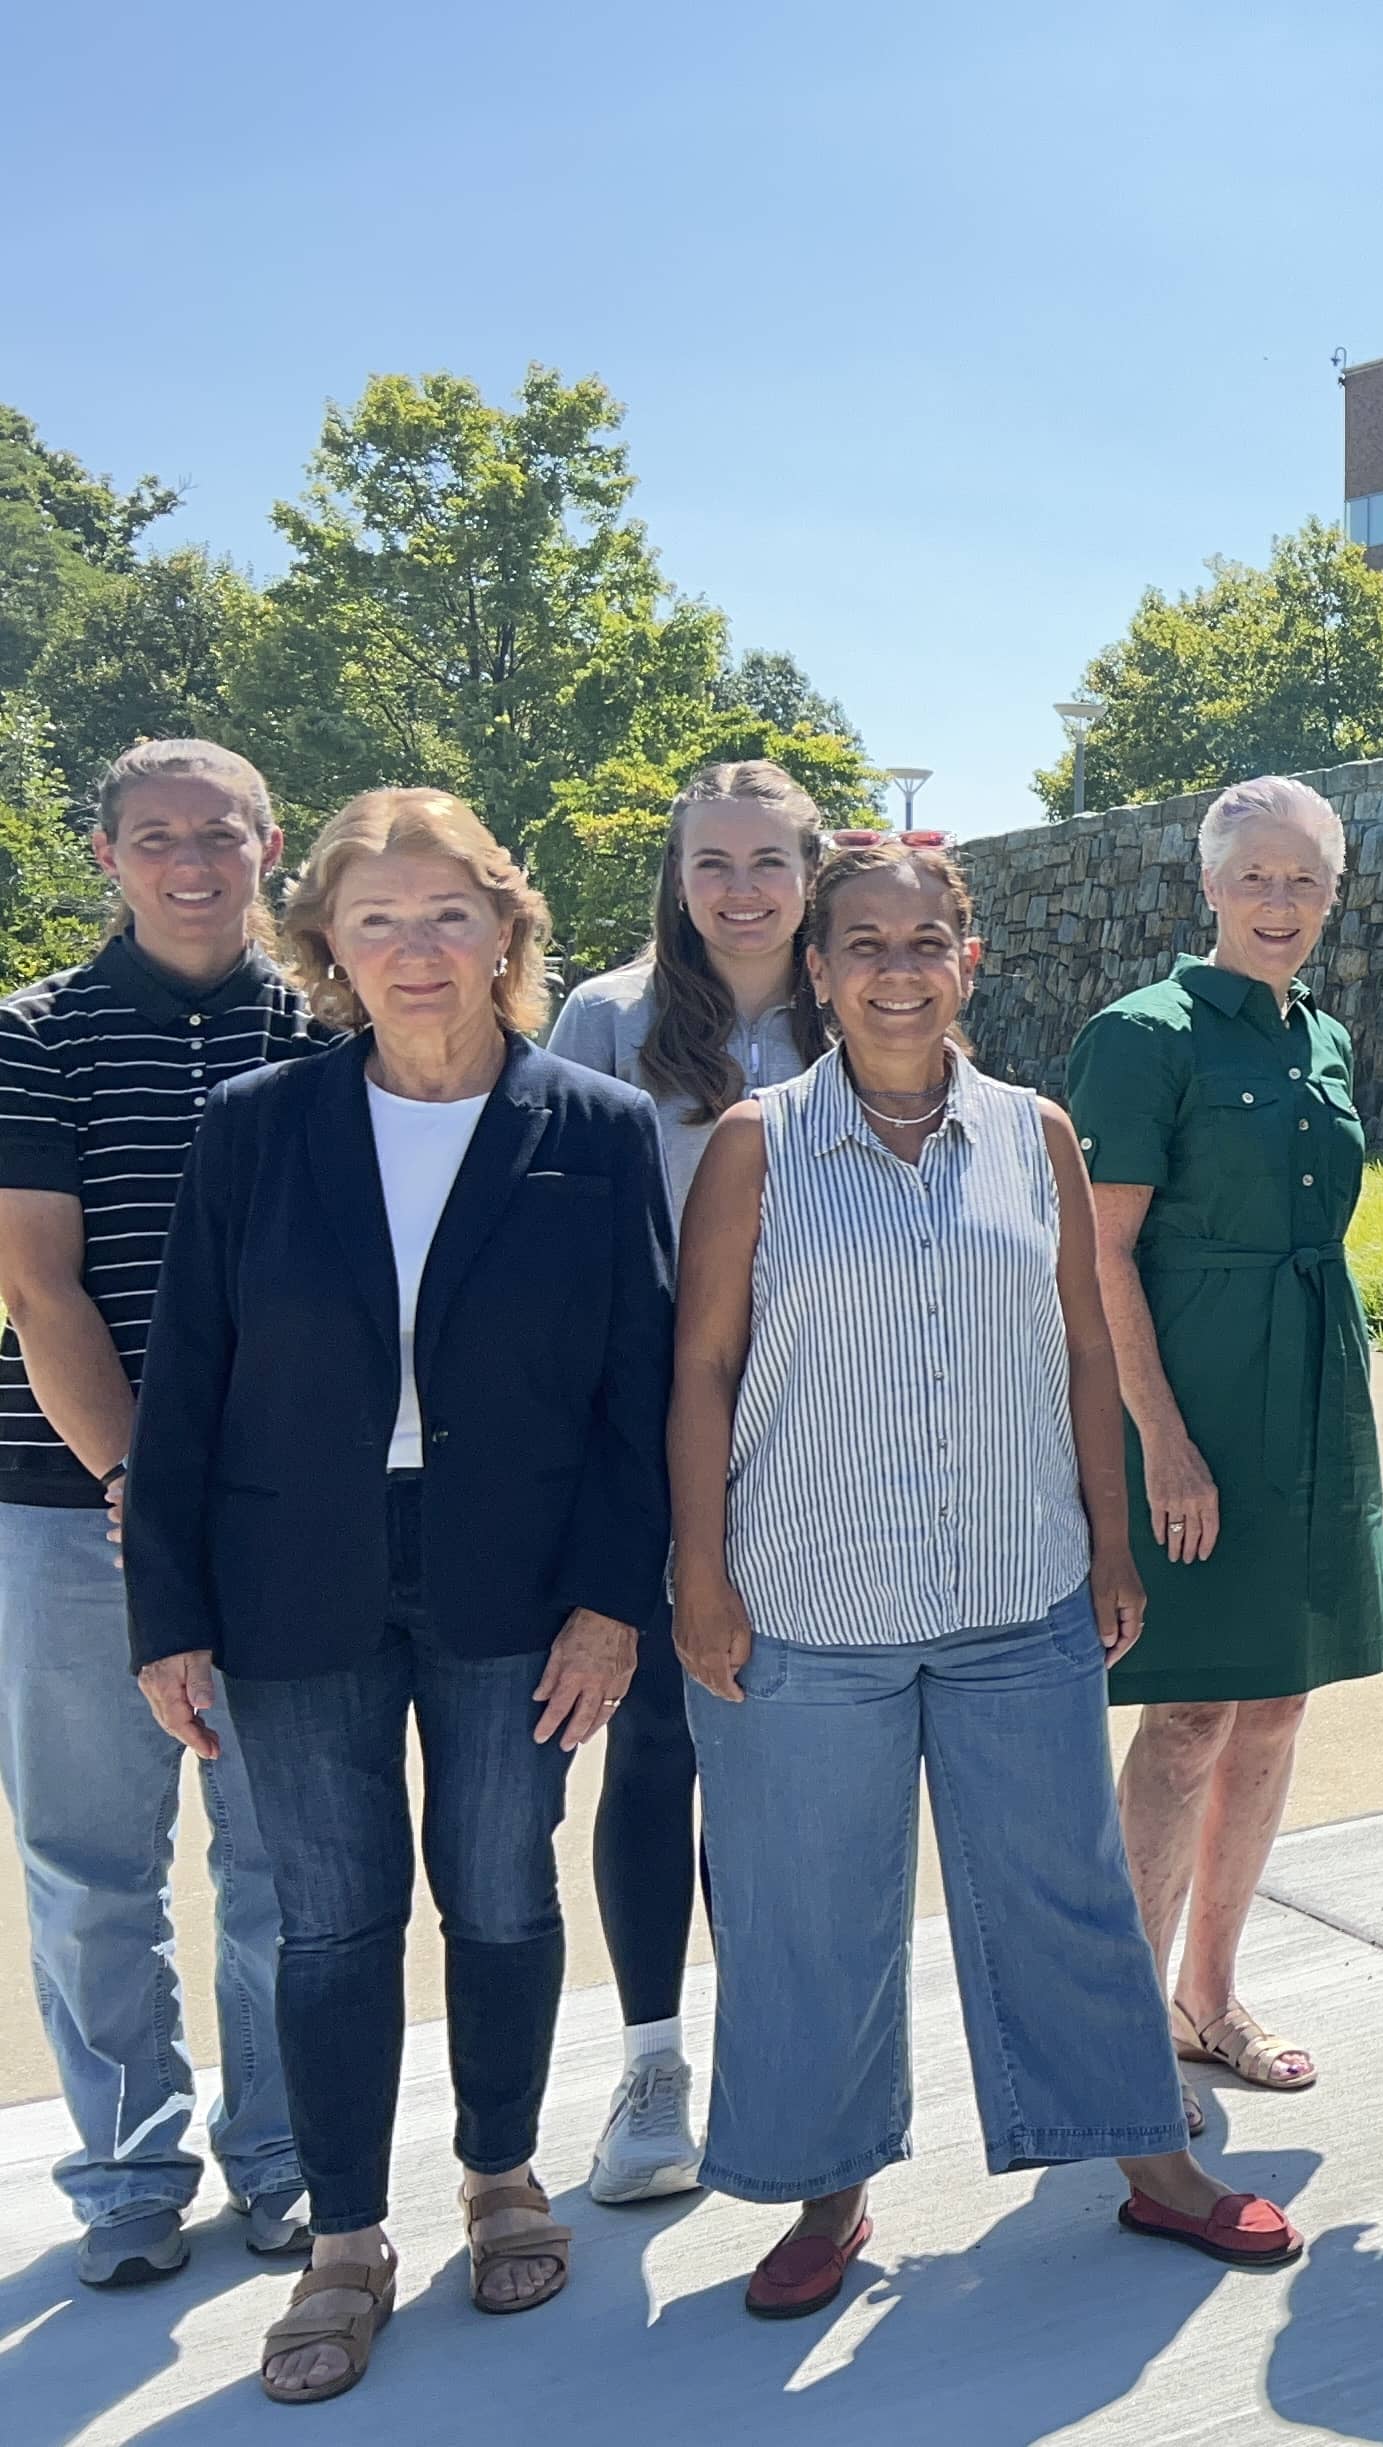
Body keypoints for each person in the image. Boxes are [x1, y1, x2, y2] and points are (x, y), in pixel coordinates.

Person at [670, 839, 1300, 2317]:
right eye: (864, 944)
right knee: (813, 1907)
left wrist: (1103, 1538)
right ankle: (831, 2191)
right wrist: (697, 1570)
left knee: (1065, 1895)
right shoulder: (755, 1141)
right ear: (817, 972)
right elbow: (697, 1365)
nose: (898, 969)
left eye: (926, 941)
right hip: (808, 1604)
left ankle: (1144, 2160)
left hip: (1014, 1592)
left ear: (971, 959)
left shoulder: (1039, 1133)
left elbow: (1084, 1346)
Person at [126, 789, 673, 2403]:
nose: (417, 950)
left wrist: (609, 1600)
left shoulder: (594, 1124)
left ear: (504, 929)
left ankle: (500, 2169)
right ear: (328, 948)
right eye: (378, 920)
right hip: (293, 1574)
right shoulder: (255, 1125)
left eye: (448, 914)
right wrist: (166, 1611)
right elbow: (185, 1381)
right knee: (333, 1914)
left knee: (503, 1888)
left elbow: (634, 1397)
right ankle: (344, 2238)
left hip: (516, 1577)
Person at [0, 741, 320, 2289]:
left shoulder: (332, 1026)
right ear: (109, 855)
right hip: (74, 1504)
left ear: (272, 844)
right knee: (89, 1863)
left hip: (286, 1516)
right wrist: (142, 1485)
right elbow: (37, 1280)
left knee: (279, 1860)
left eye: (219, 833)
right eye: (153, 837)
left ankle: (276, 2154)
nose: (190, 861)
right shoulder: (34, 1032)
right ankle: (129, 2170)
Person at [1068, 778, 1383, 2107]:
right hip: (1198, 1399)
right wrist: (1163, 1440)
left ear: (1331, 892)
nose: (1278, 902)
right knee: (1189, 1707)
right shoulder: (1140, 1034)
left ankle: (1212, 1994)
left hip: (1316, 1395)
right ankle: (1126, 2015)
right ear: (1206, 885)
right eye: (1253, 876)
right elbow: (1098, 1253)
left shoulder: (1319, 1035)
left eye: (1302, 879)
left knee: (1276, 1701)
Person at [541, 758, 828, 2205]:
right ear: (675, 873)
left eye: (766, 859)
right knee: (658, 1741)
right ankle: (653, 2061)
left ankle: (782, 2042)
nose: (739, 888)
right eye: (710, 861)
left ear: (810, 865)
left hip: (836, 1441)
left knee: (790, 1763)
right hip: (664, 1434)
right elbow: (563, 1237)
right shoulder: (607, 1017)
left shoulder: (864, 998)